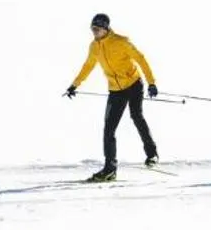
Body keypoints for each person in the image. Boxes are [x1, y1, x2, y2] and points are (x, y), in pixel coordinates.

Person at [66, 12, 159, 181]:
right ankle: (110, 169)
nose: (94, 32)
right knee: (109, 129)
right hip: (115, 90)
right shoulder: (94, 47)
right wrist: (75, 84)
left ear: (105, 28)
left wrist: (151, 82)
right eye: (92, 29)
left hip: (133, 84)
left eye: (97, 29)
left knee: (136, 116)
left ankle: (152, 154)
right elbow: (88, 66)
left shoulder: (121, 42)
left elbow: (140, 58)